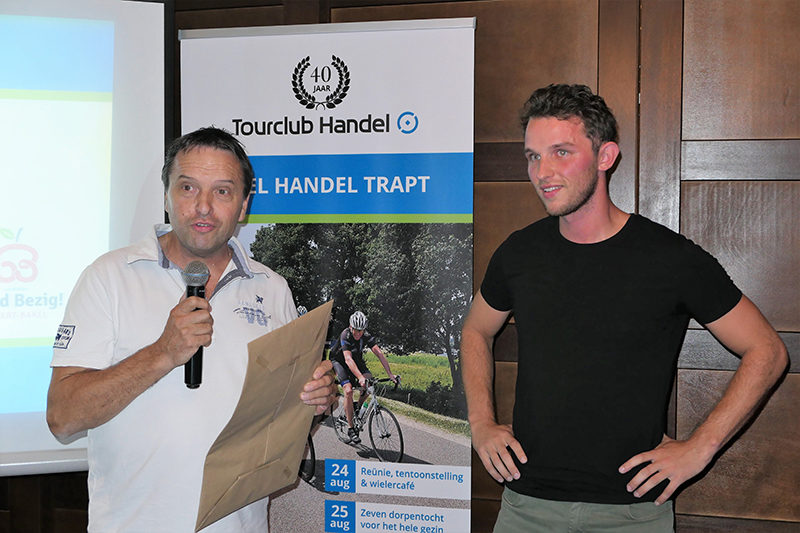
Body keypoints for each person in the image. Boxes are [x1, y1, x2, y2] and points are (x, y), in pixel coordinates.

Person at [461, 84, 789, 532]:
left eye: (560, 152)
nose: (542, 172)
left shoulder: (670, 258)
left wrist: (700, 448)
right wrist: (481, 422)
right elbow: (476, 330)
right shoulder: (518, 253)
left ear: (605, 156)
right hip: (526, 505)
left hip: (632, 512)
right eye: (533, 156)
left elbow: (767, 351)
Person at [46, 127, 337, 532]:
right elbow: (62, 418)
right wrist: (162, 353)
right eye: (188, 188)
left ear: (244, 206)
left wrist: (314, 403)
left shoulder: (273, 289)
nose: (203, 207)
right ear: (166, 196)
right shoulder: (108, 277)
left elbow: (283, 425)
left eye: (222, 192)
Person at [328, 310, 398, 444]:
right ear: (351, 327)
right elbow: (348, 359)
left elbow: (379, 353)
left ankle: (357, 407)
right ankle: (350, 429)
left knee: (369, 384)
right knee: (348, 390)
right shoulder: (345, 335)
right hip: (339, 361)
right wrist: (360, 377)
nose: (358, 334)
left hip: (356, 359)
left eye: (361, 330)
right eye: (356, 330)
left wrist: (390, 374)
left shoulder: (365, 335)